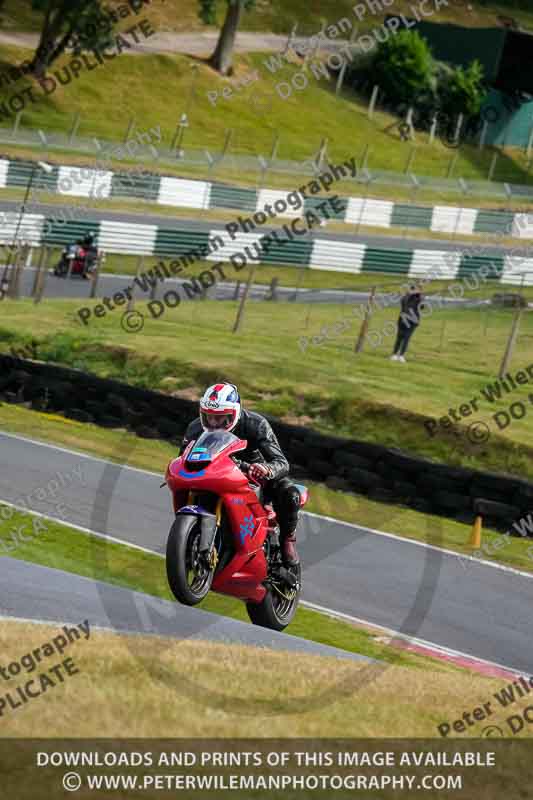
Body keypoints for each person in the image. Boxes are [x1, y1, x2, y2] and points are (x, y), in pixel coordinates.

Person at [180, 383, 301, 567]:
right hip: (218, 475)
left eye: (220, 418)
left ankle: (287, 540)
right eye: (208, 417)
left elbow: (281, 462)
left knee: (291, 494)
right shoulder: (195, 428)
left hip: (256, 477)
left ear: (234, 414)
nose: (213, 423)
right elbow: (183, 457)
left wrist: (267, 469)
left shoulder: (255, 424)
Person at [391, 285, 424, 363]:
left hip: (412, 320)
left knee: (406, 337)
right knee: (400, 337)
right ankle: (395, 354)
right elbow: (406, 303)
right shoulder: (406, 298)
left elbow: (422, 306)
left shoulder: (419, 298)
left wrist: (420, 296)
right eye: (416, 290)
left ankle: (400, 355)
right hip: (404, 319)